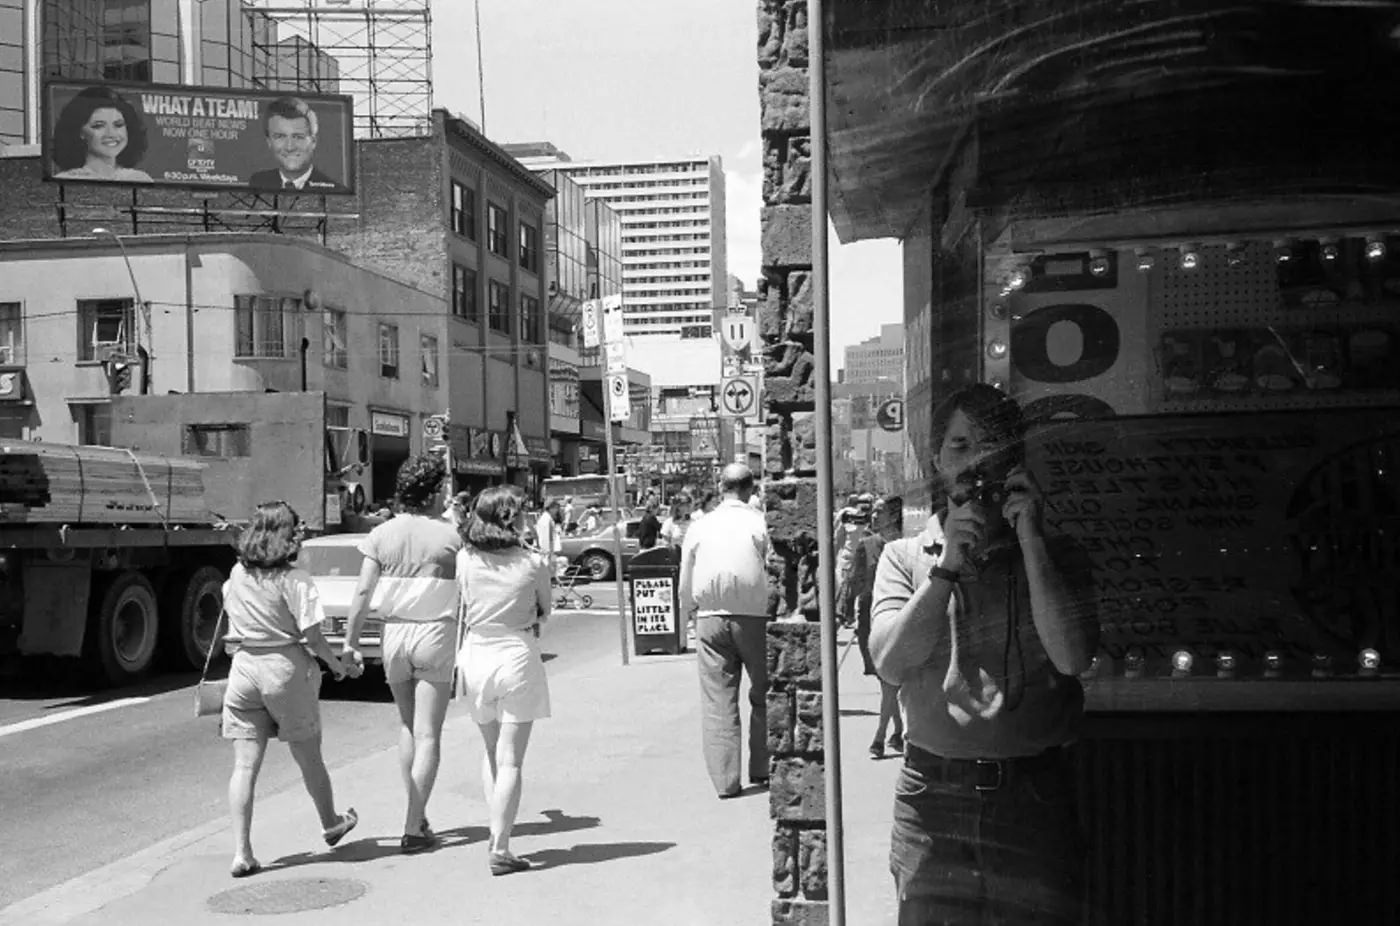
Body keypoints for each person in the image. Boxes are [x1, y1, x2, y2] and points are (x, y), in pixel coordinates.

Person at [869, 384, 1098, 925]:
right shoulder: (904, 557)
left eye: (992, 445)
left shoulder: (1059, 555)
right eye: (961, 445)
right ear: (936, 460)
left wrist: (1031, 541)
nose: (976, 462)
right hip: (933, 797)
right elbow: (891, 664)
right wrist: (945, 567)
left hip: (1032, 795)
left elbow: (1072, 658)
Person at [218, 500, 360, 878]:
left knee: (244, 766)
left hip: (244, 667)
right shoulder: (295, 579)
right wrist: (337, 666)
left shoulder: (238, 573)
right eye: (296, 529)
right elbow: (313, 637)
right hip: (283, 669)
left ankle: (242, 852)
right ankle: (331, 823)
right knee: (308, 755)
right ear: (287, 535)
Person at [341, 454, 462, 854]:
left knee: (409, 727)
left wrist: (350, 642)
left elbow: (363, 591)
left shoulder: (381, 534)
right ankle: (413, 826)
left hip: (392, 634)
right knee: (428, 734)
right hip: (435, 633)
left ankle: (417, 812)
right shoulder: (451, 536)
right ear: (432, 491)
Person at [455, 485, 553, 875]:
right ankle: (500, 845)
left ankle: (495, 829)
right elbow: (545, 610)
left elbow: (463, 602)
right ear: (512, 518)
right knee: (511, 759)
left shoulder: (465, 559)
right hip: (515, 653)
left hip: (476, 653)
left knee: (490, 749)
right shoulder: (532, 563)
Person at [679, 463, 772, 799]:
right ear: (751, 489)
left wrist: (689, 612)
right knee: (764, 693)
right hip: (754, 617)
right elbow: (772, 568)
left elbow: (685, 578)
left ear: (721, 488)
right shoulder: (760, 523)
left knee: (718, 701)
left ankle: (725, 780)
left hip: (710, 618)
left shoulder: (700, 526)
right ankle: (763, 767)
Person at [854, 501, 901, 759]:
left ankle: (880, 735)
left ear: (893, 516)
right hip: (870, 615)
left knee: (889, 678)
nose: (873, 515)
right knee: (885, 678)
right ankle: (898, 730)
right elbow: (856, 580)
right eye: (873, 511)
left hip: (896, 613)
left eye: (879, 511)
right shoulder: (866, 544)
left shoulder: (905, 544)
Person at [51, 86, 153, 182]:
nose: (111, 134)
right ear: (80, 132)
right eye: (99, 126)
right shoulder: (65, 180)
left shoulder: (140, 179)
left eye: (118, 125)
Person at [249, 97, 339, 192]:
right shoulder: (257, 182)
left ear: (313, 141)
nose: (290, 147)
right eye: (280, 136)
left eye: (298, 137)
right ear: (269, 142)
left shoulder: (335, 190)